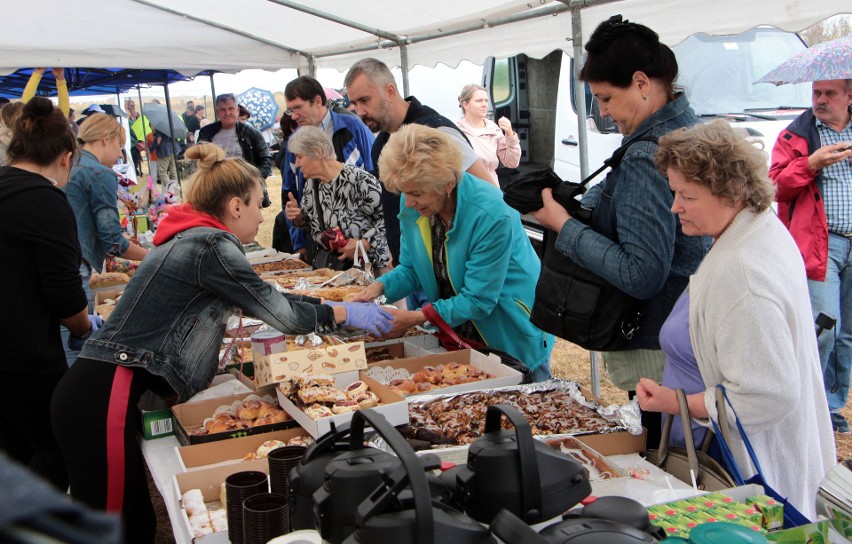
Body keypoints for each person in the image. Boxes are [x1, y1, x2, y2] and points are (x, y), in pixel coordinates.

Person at [50, 143, 393, 542]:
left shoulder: (196, 237)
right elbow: (278, 312)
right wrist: (343, 314)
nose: (263, 215)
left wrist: (330, 305)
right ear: (234, 206)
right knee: (117, 528)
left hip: (103, 390)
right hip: (105, 393)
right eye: (258, 204)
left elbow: (265, 297)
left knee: (134, 522)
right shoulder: (212, 245)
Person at [637, 120, 835, 520]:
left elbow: (769, 394)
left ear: (728, 191)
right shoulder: (753, 230)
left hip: (743, 473)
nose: (675, 206)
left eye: (686, 196)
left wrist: (675, 403)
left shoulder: (742, 273)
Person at [531, 16, 710, 446]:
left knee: (667, 451)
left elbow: (641, 273)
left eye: (607, 98)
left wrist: (564, 226)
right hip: (691, 329)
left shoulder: (649, 153)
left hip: (658, 341)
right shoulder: (688, 126)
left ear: (642, 82)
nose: (605, 112)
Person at [352, 124, 553, 379]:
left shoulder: (492, 214)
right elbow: (412, 269)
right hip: (457, 335)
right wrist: (377, 288)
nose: (409, 202)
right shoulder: (412, 200)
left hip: (509, 334)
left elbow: (478, 300)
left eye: (416, 193)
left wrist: (415, 317)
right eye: (404, 192)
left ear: (447, 183)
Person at [0, 97, 95, 490]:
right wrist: (86, 325)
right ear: (65, 157)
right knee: (57, 448)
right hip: (25, 354)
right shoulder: (45, 200)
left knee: (15, 449)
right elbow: (65, 296)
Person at [344, 58, 492, 266]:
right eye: (355, 103)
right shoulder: (380, 145)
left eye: (364, 100)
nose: (359, 112)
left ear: (389, 91)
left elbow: (490, 194)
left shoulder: (436, 131)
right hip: (413, 269)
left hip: (456, 269)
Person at [769, 79, 852, 434]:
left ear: (849, 96)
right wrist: (812, 164)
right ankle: (806, 403)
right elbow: (774, 186)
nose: (820, 100)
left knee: (847, 331)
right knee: (823, 326)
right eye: (816, 93)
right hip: (821, 243)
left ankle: (831, 405)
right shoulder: (795, 136)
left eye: (830, 94)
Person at [281, 76, 376, 263]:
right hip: (321, 249)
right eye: (290, 110)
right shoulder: (296, 140)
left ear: (317, 101)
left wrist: (366, 242)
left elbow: (376, 174)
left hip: (361, 248)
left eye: (298, 108)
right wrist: (298, 241)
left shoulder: (353, 126)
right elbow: (290, 192)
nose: (293, 116)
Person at [284, 126, 390, 271]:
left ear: (318, 153)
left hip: (370, 269)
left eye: (299, 156)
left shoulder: (358, 180)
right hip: (333, 270)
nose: (296, 164)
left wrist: (363, 244)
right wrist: (298, 217)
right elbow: (313, 226)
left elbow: (389, 219)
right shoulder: (311, 183)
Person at [197, 93, 273, 207]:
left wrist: (255, 180)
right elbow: (198, 159)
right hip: (216, 190)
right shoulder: (206, 133)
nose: (227, 113)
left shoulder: (252, 133)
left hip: (245, 189)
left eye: (230, 108)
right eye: (222, 110)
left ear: (237, 110)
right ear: (217, 112)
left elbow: (266, 159)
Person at [455, 83, 521, 187]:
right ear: (465, 104)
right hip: (466, 188)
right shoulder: (456, 131)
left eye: (486, 100)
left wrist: (510, 134)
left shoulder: (493, 129)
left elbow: (512, 162)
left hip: (491, 188)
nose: (485, 104)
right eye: (479, 101)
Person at [124, 99, 145, 176]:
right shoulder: (126, 116)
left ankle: (136, 170)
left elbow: (140, 125)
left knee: (136, 158)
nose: (132, 106)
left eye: (133, 105)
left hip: (137, 140)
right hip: (131, 141)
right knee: (132, 158)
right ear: (127, 106)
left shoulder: (137, 115)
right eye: (131, 105)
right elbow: (130, 128)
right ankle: (134, 171)